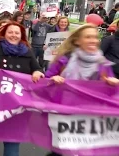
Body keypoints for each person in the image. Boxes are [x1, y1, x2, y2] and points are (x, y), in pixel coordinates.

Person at [45, 24, 119, 156]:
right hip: (65, 115)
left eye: (95, 37)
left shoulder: (103, 63)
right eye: (88, 37)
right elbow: (45, 82)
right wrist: (53, 79)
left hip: (92, 117)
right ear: (77, 41)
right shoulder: (64, 60)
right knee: (61, 151)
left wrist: (114, 84)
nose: (93, 40)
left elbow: (111, 94)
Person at [0, 22, 44, 156]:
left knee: (12, 140)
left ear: (22, 35)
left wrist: (37, 72)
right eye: (10, 32)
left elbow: (37, 67)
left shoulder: (27, 51)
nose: (13, 35)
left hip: (19, 103)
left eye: (17, 33)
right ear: (4, 34)